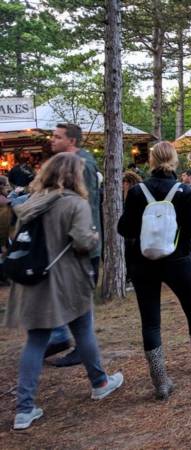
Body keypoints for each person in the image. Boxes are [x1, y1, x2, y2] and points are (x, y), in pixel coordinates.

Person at [4, 153, 124, 430]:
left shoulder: (31, 202)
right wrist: (93, 236)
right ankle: (100, 383)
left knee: (35, 341)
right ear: (74, 176)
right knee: (83, 330)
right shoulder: (74, 203)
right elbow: (83, 242)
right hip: (66, 282)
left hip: (33, 282)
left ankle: (24, 409)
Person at [117, 141, 191, 400]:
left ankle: (160, 382)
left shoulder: (137, 192)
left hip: (143, 262)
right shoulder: (183, 191)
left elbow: (124, 229)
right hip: (177, 260)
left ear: (151, 161)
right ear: (174, 161)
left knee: (151, 321)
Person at [47, 123, 103, 367]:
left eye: (57, 137)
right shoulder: (68, 163)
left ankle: (75, 345)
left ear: (71, 141)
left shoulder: (83, 165)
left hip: (82, 245)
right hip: (68, 244)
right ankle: (60, 336)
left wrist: (82, 241)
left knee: (79, 301)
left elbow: (85, 205)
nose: (52, 140)